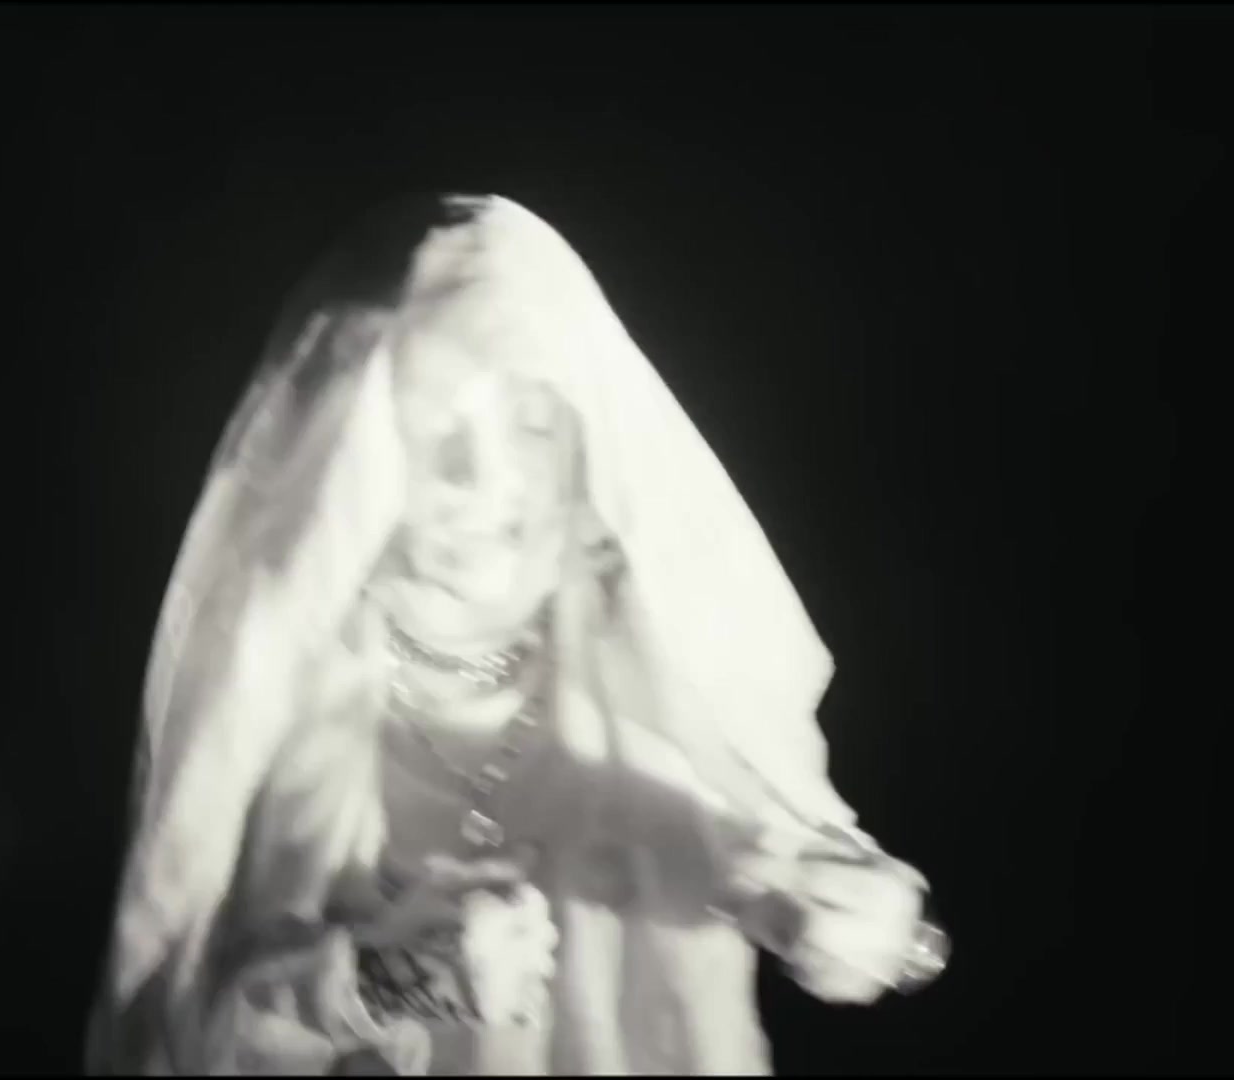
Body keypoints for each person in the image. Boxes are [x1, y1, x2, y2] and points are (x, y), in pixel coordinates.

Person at [86, 194, 947, 1076]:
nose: (486, 482)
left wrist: (855, 921)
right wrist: (385, 983)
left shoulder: (672, 670)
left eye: (529, 427)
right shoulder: (272, 712)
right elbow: (172, 1043)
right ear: (355, 461)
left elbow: (799, 870)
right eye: (437, 430)